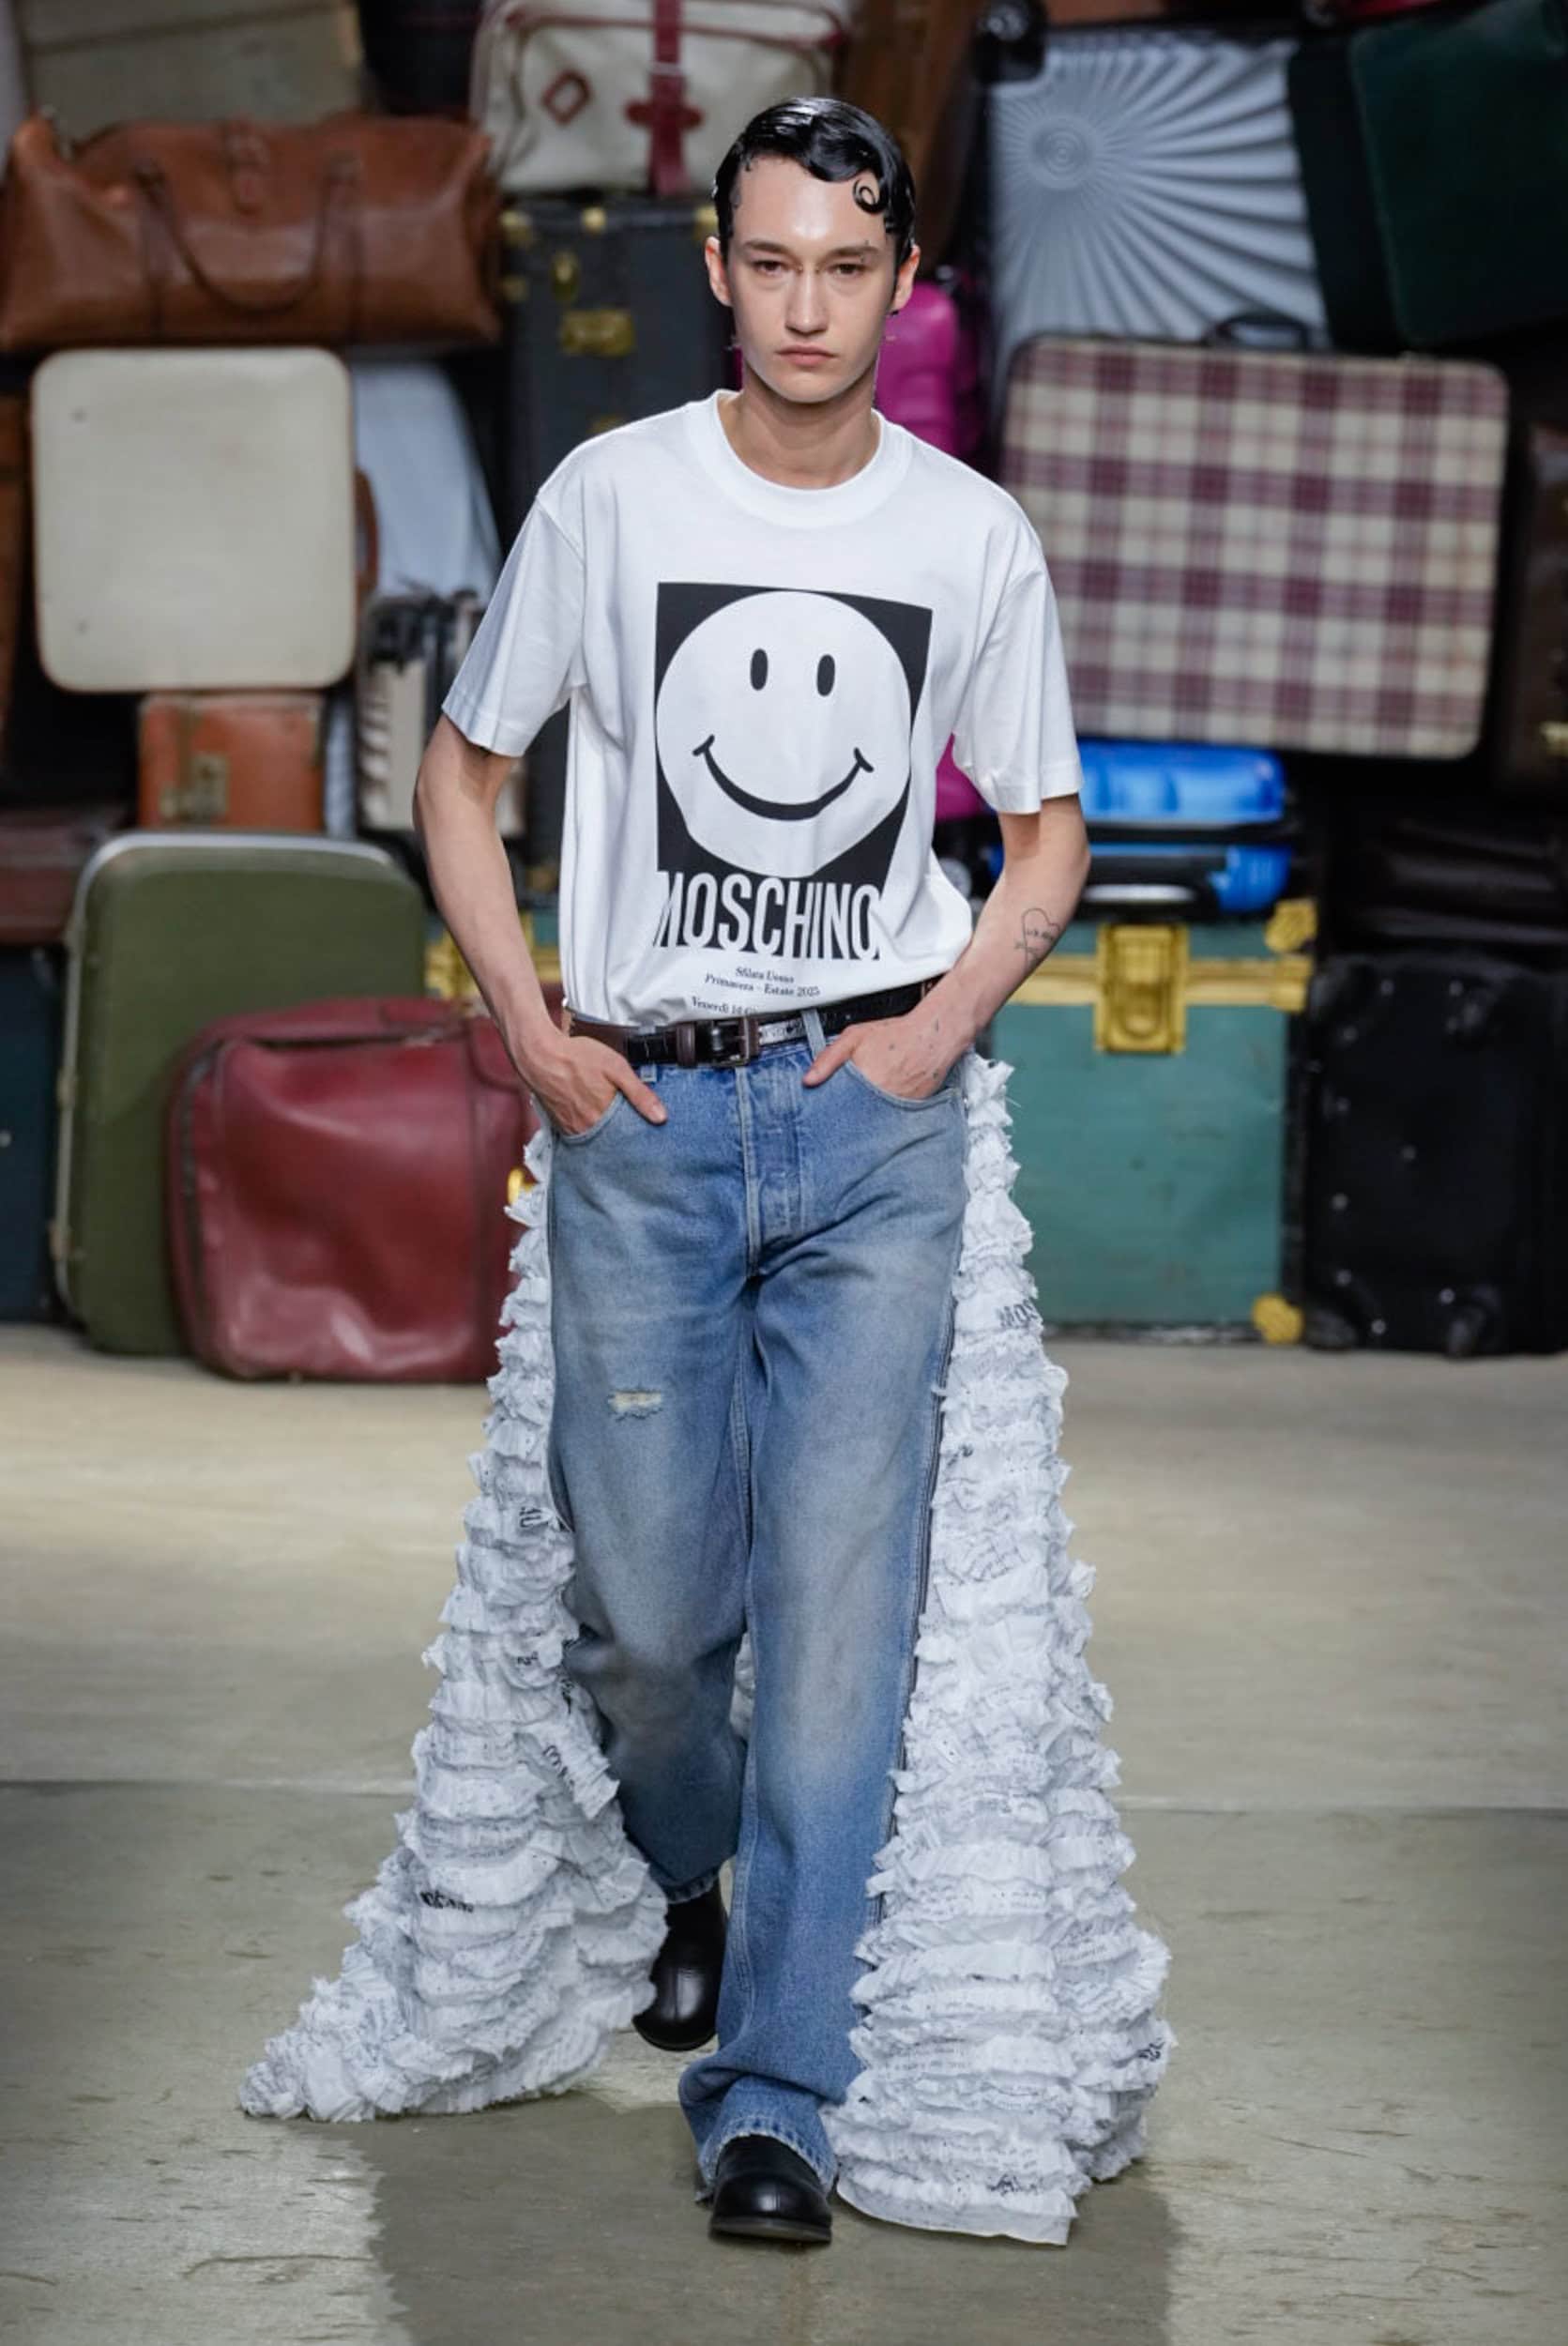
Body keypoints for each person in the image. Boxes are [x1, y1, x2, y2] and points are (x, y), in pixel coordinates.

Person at [241, 96, 1175, 2252]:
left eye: (845, 268)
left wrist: (935, 1027)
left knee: (838, 1635)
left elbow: (1046, 834)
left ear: (901, 282)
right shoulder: (612, 497)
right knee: (654, 1620)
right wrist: (522, 1019)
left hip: (869, 1125)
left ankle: (774, 2094)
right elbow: (462, 772)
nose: (805, 307)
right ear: (718, 273)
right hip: (642, 1127)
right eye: (769, 264)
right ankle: (684, 1867)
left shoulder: (966, 537)